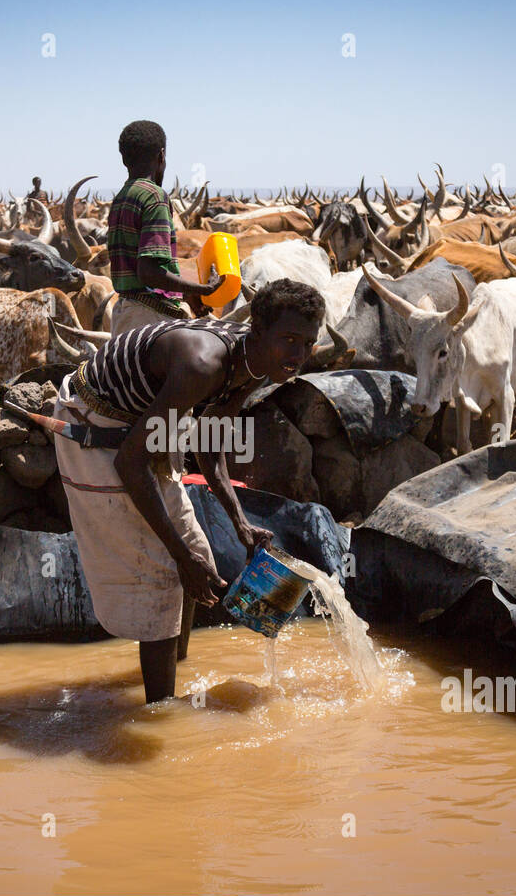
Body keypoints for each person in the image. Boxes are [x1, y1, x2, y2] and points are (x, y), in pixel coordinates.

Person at [51, 279, 327, 703]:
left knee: (199, 551)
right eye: (289, 340)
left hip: (143, 427)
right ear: (257, 330)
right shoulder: (204, 365)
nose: (298, 356)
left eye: (307, 344)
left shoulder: (257, 366)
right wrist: (180, 559)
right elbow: (129, 462)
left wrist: (241, 524)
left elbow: (209, 443)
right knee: (165, 570)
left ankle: (174, 669)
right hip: (93, 423)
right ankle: (161, 712)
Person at [107, 119, 221, 337]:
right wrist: (201, 289)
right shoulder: (155, 197)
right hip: (151, 320)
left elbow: (138, 273)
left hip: (124, 314)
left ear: (124, 160)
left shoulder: (121, 198)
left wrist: (184, 295)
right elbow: (148, 272)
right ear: (161, 156)